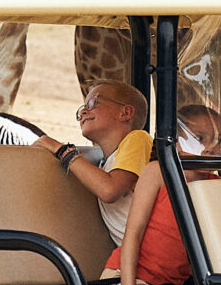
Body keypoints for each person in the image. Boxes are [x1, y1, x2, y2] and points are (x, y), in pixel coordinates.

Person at [108, 104, 221, 285]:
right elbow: (133, 235)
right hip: (125, 281)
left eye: (219, 139)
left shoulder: (215, 184)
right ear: (177, 141)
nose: (211, 147)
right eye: (199, 138)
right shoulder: (157, 172)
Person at [32, 82, 154, 244]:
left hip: (155, 248)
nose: (83, 112)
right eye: (81, 109)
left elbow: (109, 190)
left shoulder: (138, 138)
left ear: (125, 112)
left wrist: (62, 150)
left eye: (93, 103)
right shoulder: (105, 165)